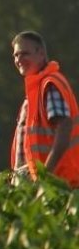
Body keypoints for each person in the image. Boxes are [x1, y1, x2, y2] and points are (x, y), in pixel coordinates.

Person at [10, 30, 79, 187]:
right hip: (35, 178)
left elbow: (64, 126)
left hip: (55, 181)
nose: (19, 59)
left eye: (24, 53)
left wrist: (44, 176)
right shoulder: (36, 89)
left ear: (40, 53)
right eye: (15, 55)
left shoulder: (49, 84)